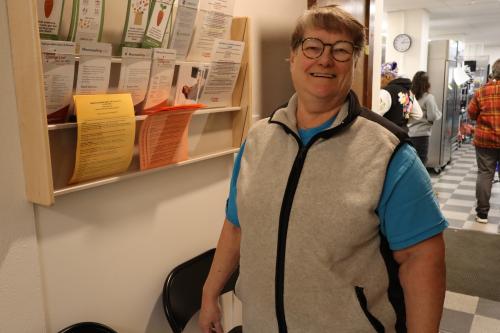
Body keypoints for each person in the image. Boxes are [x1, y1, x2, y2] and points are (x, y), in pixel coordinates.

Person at [200, 6, 447, 333]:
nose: (325, 60)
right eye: (312, 46)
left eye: (342, 51)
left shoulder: (390, 153)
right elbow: (236, 225)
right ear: (292, 55)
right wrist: (209, 293)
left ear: (356, 62)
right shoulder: (257, 140)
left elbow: (422, 261)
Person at [467, 58, 500, 224]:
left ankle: (482, 214)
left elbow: (471, 113)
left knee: (485, 174)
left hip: (485, 140)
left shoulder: (481, 91)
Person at [408, 71, 442, 165]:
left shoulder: (409, 97)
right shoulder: (429, 98)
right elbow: (432, 116)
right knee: (421, 163)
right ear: (426, 83)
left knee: (411, 163)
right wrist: (439, 114)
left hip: (409, 134)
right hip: (421, 135)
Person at [378, 62, 422, 132]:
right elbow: (418, 115)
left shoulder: (386, 92)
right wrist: (403, 121)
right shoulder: (408, 93)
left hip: (388, 136)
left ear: (387, 76)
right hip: (403, 135)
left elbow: (376, 114)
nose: (378, 81)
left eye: (379, 77)